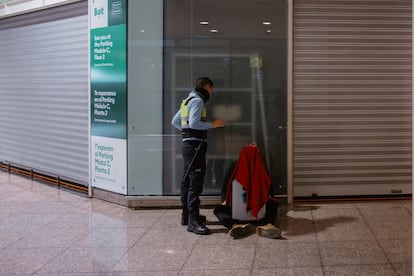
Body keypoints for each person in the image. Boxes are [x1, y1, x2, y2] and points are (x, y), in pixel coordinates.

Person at [171, 77, 225, 235]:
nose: (212, 92)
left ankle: (187, 216)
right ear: (207, 87)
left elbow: (175, 121)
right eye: (211, 89)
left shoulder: (187, 100)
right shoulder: (198, 101)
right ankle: (193, 222)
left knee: (187, 180)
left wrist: (186, 133)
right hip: (195, 147)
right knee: (195, 182)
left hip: (188, 146)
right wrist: (212, 124)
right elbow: (194, 123)